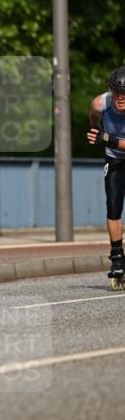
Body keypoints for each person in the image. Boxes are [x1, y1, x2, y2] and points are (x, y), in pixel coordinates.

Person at [87, 64, 125, 290]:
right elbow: (93, 116)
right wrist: (95, 130)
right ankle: (117, 257)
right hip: (115, 160)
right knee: (113, 205)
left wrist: (108, 139)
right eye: (117, 94)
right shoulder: (100, 103)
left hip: (117, 148)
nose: (120, 99)